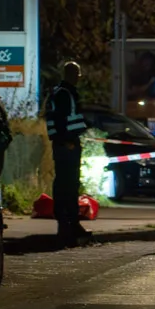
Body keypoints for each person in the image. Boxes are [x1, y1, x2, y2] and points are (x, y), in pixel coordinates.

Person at [45, 61, 90, 243]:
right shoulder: (65, 93)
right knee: (67, 184)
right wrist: (67, 141)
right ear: (73, 74)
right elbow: (62, 120)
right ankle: (67, 224)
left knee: (68, 184)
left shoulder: (60, 92)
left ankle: (71, 223)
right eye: (78, 75)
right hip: (67, 144)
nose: (79, 78)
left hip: (65, 143)